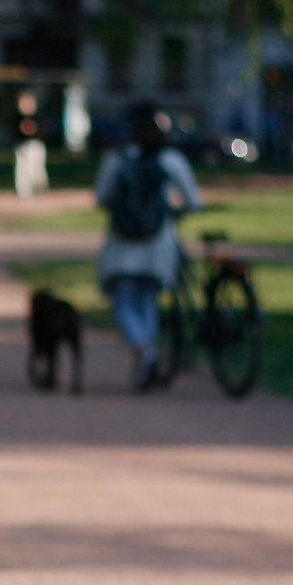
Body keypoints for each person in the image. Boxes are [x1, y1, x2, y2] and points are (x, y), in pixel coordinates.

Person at [94, 104, 203, 392]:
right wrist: (170, 213)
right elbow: (194, 201)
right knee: (147, 299)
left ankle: (143, 351)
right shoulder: (171, 159)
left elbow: (101, 196)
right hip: (158, 241)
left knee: (124, 301)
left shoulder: (117, 158)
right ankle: (148, 352)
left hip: (122, 241)